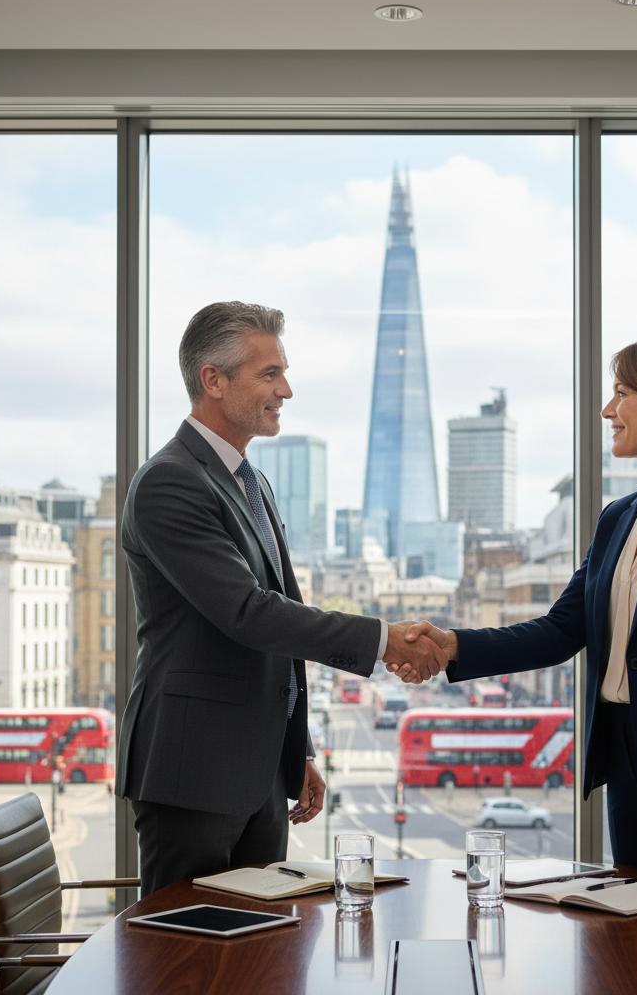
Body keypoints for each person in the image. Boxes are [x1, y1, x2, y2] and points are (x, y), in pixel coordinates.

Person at [394, 332, 637, 914]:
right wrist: (451, 646)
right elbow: (560, 629)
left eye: (623, 393)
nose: (608, 410)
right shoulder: (618, 517)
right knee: (636, 940)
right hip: (626, 761)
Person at [115, 301, 446, 896]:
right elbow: (248, 613)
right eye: (269, 374)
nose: (286, 389)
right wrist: (383, 638)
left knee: (263, 951)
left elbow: (280, 616)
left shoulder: (251, 481)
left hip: (258, 772)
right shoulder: (169, 482)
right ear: (213, 380)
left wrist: (297, 751)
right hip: (192, 771)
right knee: (185, 960)